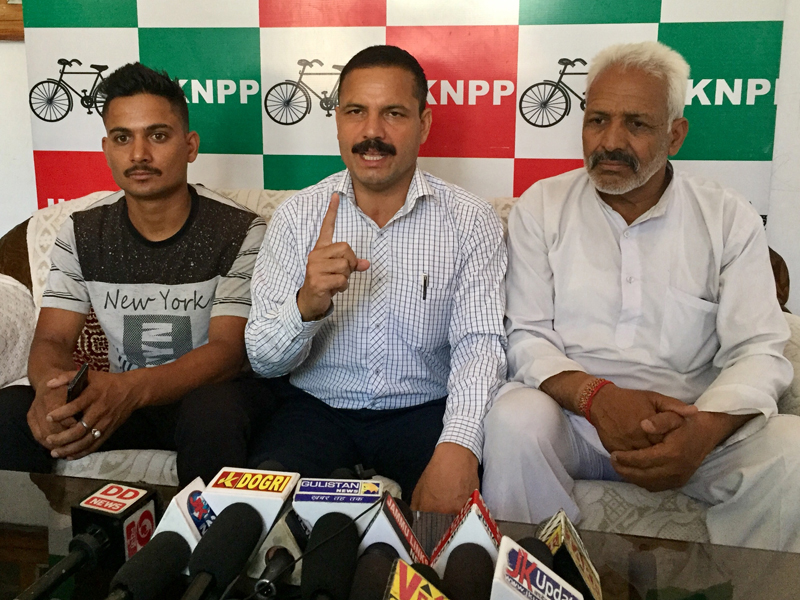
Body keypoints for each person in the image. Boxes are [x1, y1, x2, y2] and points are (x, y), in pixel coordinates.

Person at [482, 41, 800, 552]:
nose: (610, 141)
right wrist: (597, 398)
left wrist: (702, 432)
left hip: (692, 425)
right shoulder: (543, 205)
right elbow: (525, 335)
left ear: (675, 134)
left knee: (792, 453)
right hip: (577, 422)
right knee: (513, 420)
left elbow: (760, 349)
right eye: (597, 120)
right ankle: (539, 577)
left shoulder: (726, 216)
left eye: (636, 124)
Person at [245, 45, 507, 513]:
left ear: (424, 124)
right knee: (258, 525)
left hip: (425, 413)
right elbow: (262, 360)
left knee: (445, 539)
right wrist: (306, 305)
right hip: (314, 412)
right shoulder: (297, 215)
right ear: (338, 120)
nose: (372, 132)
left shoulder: (471, 220)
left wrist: (460, 442)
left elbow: (480, 344)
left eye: (393, 114)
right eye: (355, 112)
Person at [0, 62, 273, 487]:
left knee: (213, 411)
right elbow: (52, 338)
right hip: (118, 399)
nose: (139, 154)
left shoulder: (241, 229)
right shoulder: (81, 230)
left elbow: (227, 353)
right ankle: (34, 548)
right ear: (107, 148)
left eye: (158, 136)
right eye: (123, 138)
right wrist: (51, 390)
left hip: (205, 397)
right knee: (11, 412)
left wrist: (126, 389)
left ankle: (200, 550)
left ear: (190, 145)